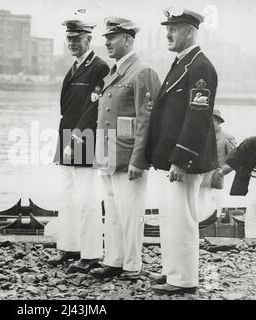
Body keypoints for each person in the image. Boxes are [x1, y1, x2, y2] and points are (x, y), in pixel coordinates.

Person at [145, 8, 218, 295]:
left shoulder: (200, 67)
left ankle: (185, 279)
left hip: (185, 161)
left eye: (174, 28)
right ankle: (171, 270)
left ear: (190, 32)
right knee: (170, 218)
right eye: (168, 27)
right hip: (171, 159)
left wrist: (182, 158)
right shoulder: (183, 63)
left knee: (183, 219)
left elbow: (198, 117)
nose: (168, 33)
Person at [88, 17, 161, 280]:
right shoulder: (115, 72)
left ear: (128, 40)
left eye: (112, 37)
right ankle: (114, 260)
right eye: (106, 37)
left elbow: (147, 120)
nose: (106, 42)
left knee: (131, 214)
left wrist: (138, 159)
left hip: (128, 156)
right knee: (114, 212)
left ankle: (132, 264)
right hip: (109, 155)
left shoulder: (142, 72)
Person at [48, 19, 110, 273]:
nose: (72, 43)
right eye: (69, 38)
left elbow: (93, 108)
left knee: (87, 197)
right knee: (68, 196)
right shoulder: (74, 68)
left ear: (88, 39)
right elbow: (67, 108)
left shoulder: (99, 67)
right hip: (67, 136)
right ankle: (70, 246)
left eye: (77, 38)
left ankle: (91, 253)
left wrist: (76, 139)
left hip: (83, 136)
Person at [198, 109, 236, 221]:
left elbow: (235, 161)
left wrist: (221, 172)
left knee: (215, 203)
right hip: (200, 178)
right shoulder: (200, 137)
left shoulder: (227, 137)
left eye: (213, 121)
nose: (209, 123)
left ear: (219, 122)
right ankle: (200, 224)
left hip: (215, 178)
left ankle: (214, 223)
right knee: (199, 203)